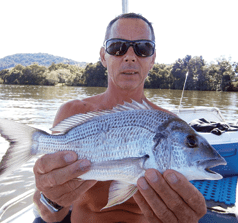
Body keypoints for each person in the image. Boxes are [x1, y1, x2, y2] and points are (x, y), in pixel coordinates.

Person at [33, 13, 207, 223]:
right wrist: (52, 199)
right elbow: (49, 215)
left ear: (152, 59)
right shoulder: (73, 112)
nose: (130, 56)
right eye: (117, 46)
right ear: (103, 56)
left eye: (143, 48)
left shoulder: (169, 125)